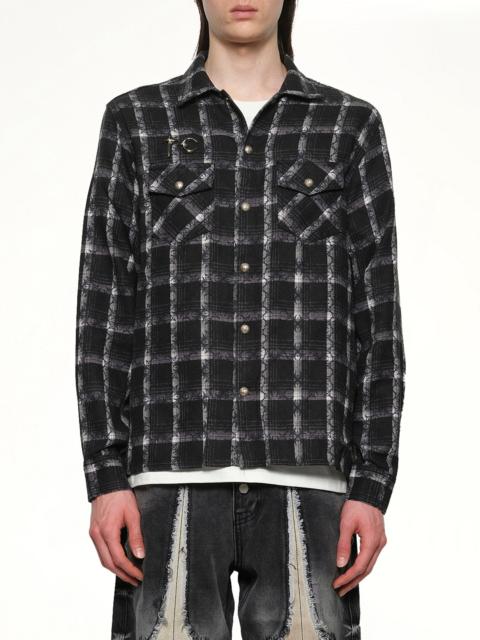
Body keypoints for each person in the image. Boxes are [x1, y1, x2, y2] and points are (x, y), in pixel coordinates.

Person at [75, 1, 406, 638]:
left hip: (309, 473)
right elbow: (104, 308)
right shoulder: (136, 122)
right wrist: (105, 476)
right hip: (168, 470)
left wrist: (371, 484)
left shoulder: (348, 127)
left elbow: (379, 318)